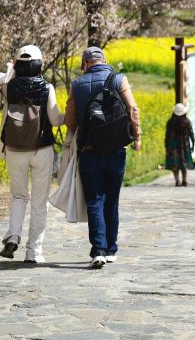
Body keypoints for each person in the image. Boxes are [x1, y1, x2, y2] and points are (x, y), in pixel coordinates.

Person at [0, 45, 64, 264]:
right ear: (40, 64)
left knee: (19, 196)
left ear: (17, 64)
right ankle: (33, 252)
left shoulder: (8, 87)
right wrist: (68, 116)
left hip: (14, 149)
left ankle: (13, 235)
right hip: (42, 150)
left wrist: (10, 70)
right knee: (39, 202)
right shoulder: (47, 88)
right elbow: (56, 120)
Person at [64, 46, 141, 269]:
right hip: (116, 150)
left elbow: (70, 120)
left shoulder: (77, 84)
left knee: (94, 200)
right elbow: (133, 109)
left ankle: (98, 250)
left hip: (89, 151)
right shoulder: (119, 79)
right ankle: (111, 249)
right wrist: (137, 137)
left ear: (85, 64)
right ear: (104, 61)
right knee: (112, 200)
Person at [165, 103, 195, 186]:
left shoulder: (170, 122)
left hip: (173, 145)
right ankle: (184, 180)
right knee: (183, 163)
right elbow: (191, 134)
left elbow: (167, 135)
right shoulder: (187, 121)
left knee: (175, 164)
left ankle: (177, 181)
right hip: (184, 145)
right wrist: (193, 144)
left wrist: (166, 145)